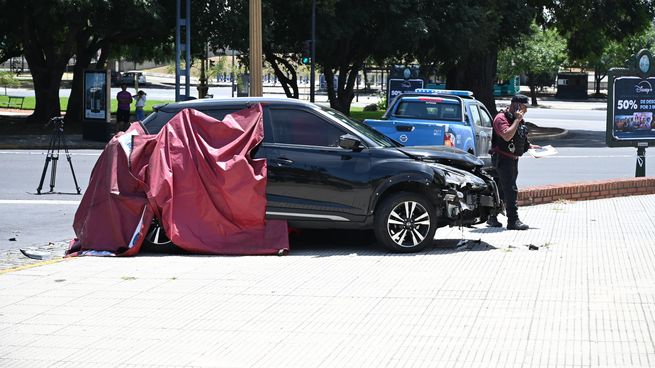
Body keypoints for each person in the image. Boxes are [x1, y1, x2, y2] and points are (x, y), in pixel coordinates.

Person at [486, 94, 540, 230]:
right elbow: (507, 135)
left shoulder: (517, 119)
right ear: (516, 105)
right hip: (503, 159)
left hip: (512, 159)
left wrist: (529, 146)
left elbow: (519, 135)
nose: (525, 110)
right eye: (523, 107)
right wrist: (517, 119)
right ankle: (513, 221)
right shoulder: (501, 118)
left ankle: (492, 217)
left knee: (500, 189)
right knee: (510, 189)